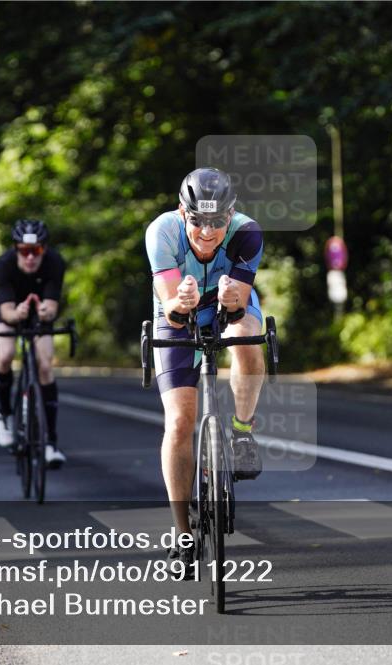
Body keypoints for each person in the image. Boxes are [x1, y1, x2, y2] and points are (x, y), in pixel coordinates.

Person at [145, 167, 266, 567]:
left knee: (248, 333)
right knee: (180, 422)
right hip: (177, 306)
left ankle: (242, 433)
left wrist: (233, 300)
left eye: (218, 222)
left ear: (231, 215)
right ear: (183, 214)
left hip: (224, 303)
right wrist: (181, 301)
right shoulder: (161, 232)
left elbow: (240, 303)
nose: (208, 232)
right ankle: (182, 536)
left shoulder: (248, 233)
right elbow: (172, 308)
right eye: (198, 221)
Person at [0, 219, 67, 467]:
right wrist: (18, 314)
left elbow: (52, 306)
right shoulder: (3, 265)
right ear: (16, 249)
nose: (31, 257)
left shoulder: (54, 263)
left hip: (38, 314)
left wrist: (45, 312)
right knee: (4, 356)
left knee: (45, 364)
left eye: (37, 251)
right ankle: (4, 413)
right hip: (11, 312)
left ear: (44, 249)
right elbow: (6, 312)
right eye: (24, 251)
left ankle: (50, 443)